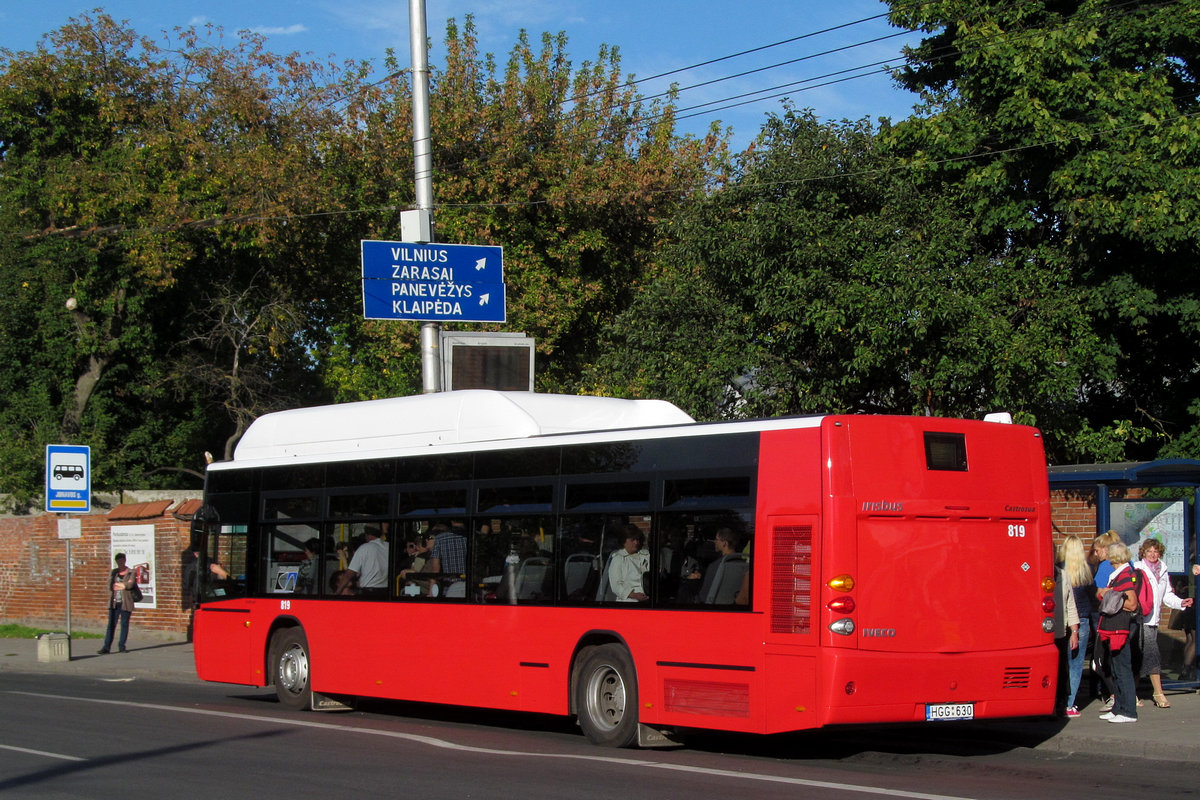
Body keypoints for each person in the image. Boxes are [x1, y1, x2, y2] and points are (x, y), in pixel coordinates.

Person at [1134, 538, 1193, 708]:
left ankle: (1129, 693)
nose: (1152, 554)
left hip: (1153, 621)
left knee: (1140, 657)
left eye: (1155, 551)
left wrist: (1180, 603)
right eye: (1148, 551)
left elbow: (1167, 594)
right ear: (1143, 553)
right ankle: (1158, 693)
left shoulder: (1163, 569)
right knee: (1152, 655)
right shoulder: (1138, 568)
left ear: (1160, 553)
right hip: (1139, 619)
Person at [1096, 542, 1141, 723]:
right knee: (1115, 668)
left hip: (1120, 627)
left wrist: (1109, 594)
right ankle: (1118, 708)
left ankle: (1129, 711)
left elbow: (1132, 603)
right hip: (1114, 627)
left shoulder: (1124, 575)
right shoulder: (1118, 574)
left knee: (1122, 669)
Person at [1058, 535, 1092, 717]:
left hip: (1061, 621)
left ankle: (1059, 701)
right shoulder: (1086, 572)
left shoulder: (1059, 571)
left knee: (1061, 664)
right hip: (1082, 621)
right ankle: (1069, 704)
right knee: (1076, 664)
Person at [1089, 530, 1120, 708]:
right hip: (1122, 619)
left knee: (1100, 660)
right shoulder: (1126, 564)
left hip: (1105, 618)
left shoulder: (1105, 566)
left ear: (1105, 549)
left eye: (1097, 550)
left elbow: (1099, 593)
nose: (1096, 554)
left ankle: (1113, 695)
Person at [1053, 564, 1080, 716]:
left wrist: (1074, 631)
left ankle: (1060, 703)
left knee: (1062, 669)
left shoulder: (1063, 575)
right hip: (1041, 631)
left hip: (1060, 631)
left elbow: (1070, 604)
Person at [99, 553, 137, 654]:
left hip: (126, 602)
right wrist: (122, 585)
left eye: (122, 560)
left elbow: (130, 585)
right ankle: (106, 647)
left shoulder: (131, 572)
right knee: (111, 625)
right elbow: (111, 586)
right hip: (114, 602)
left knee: (124, 624)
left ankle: (122, 646)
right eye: (118, 561)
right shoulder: (114, 573)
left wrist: (121, 585)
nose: (120, 562)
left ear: (125, 560)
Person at [338, 525, 389, 597]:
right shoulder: (388, 546)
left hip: (368, 592)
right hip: (387, 591)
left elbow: (350, 573)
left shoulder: (364, 548)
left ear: (368, 535)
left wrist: (337, 592)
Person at [607, 526, 650, 602]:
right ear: (624, 541)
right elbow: (616, 585)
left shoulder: (646, 555)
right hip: (629, 602)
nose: (636, 542)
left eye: (637, 539)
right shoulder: (618, 558)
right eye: (632, 540)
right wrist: (634, 595)